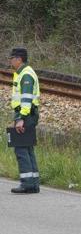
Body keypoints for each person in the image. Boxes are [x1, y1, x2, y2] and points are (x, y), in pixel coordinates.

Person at [8, 47, 40, 194]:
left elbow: (26, 99)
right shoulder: (23, 72)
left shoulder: (26, 75)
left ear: (19, 59)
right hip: (29, 114)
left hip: (25, 115)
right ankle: (33, 183)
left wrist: (20, 118)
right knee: (27, 147)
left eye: (12, 58)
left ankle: (27, 184)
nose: (10, 61)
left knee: (21, 148)